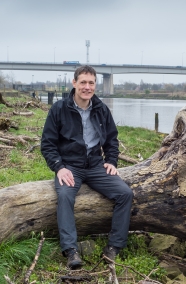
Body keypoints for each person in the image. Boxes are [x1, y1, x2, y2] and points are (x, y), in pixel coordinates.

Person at [41, 65, 133, 269]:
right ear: (74, 83)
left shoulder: (101, 108)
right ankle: (71, 251)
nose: (87, 87)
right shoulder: (59, 109)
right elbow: (47, 144)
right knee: (65, 195)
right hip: (69, 166)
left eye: (91, 83)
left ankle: (114, 247)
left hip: (96, 165)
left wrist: (111, 161)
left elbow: (112, 139)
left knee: (125, 193)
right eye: (83, 82)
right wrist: (59, 167)